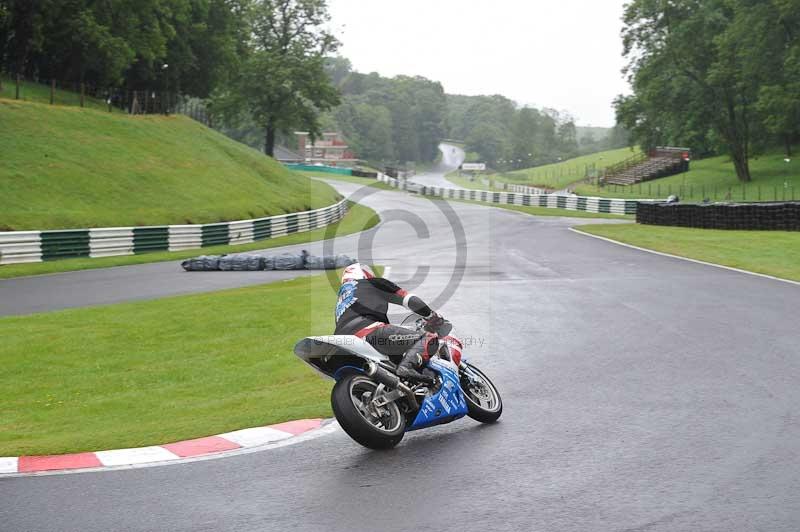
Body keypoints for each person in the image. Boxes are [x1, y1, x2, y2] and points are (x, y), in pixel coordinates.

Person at [334, 263, 444, 384]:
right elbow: (410, 300)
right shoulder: (372, 283)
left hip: (343, 344)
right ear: (365, 274)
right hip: (370, 332)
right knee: (428, 339)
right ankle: (407, 367)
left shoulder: (341, 300)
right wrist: (431, 315)